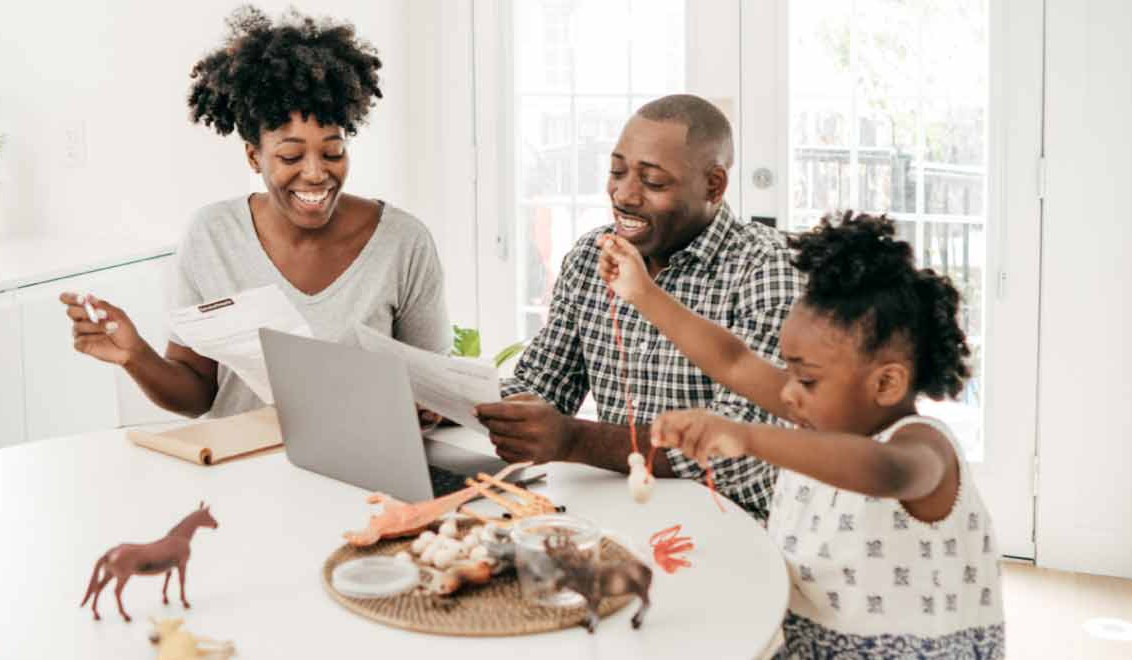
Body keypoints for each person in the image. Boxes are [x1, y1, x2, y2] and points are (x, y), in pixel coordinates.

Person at [599, 212, 1004, 658]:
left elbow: (881, 471)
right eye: (788, 370)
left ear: (886, 384)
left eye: (807, 379)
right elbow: (734, 361)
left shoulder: (923, 448)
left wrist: (746, 436)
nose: (787, 392)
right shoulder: (817, 414)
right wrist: (643, 293)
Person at [60, 7, 448, 419]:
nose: (316, 173)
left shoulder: (404, 243)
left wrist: (432, 403)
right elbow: (197, 393)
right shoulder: (212, 235)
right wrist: (135, 355)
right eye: (290, 155)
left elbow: (436, 388)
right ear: (254, 156)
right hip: (238, 469)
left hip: (360, 474)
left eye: (333, 152)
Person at [474, 94, 800, 520]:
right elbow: (544, 387)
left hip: (733, 527)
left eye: (653, 182)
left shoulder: (768, 268)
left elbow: (741, 452)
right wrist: (456, 401)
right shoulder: (591, 257)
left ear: (713, 186)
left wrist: (574, 441)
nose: (624, 195)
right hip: (624, 514)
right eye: (616, 171)